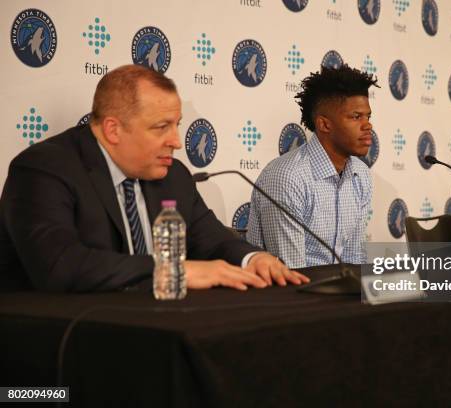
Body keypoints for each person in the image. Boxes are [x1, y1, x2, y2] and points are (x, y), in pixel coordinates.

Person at [0, 64, 309, 292]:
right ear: (113, 130)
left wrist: (252, 258)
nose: (176, 141)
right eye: (161, 127)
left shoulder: (173, 174)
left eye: (177, 125)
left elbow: (212, 240)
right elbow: (59, 266)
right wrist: (174, 271)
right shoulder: (44, 169)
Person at [247, 64, 377, 268]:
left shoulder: (361, 174)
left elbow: (353, 263)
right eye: (356, 117)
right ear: (325, 124)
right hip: (285, 295)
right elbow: (290, 275)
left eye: (368, 117)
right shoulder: (287, 177)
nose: (367, 125)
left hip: (337, 294)